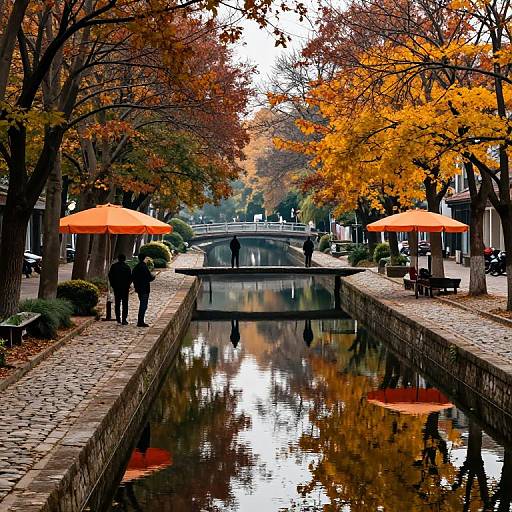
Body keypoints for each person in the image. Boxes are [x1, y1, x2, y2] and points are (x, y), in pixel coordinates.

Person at [131, 253, 155, 327]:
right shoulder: (144, 267)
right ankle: (140, 321)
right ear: (144, 258)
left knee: (142, 303)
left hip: (138, 288)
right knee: (143, 305)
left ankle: (140, 320)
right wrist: (153, 277)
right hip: (144, 288)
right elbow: (149, 277)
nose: (147, 260)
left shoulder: (136, 267)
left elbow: (133, 277)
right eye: (146, 258)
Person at [108, 254, 132, 325]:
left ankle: (118, 318)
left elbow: (110, 276)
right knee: (125, 304)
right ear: (124, 259)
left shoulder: (114, 266)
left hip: (117, 288)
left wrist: (113, 285)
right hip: (125, 288)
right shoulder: (127, 267)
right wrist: (128, 285)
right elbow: (130, 278)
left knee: (117, 303)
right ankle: (124, 319)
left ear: (118, 259)